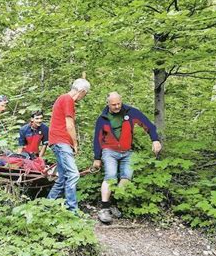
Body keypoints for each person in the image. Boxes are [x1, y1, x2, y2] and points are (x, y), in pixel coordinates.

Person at [93, 92, 162, 223]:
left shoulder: (131, 112)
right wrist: (97, 158)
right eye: (114, 104)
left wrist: (155, 140)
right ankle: (104, 209)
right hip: (109, 151)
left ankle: (113, 203)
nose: (117, 106)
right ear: (108, 104)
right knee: (110, 176)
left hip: (127, 151)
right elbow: (97, 139)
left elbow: (148, 125)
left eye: (119, 103)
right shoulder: (102, 118)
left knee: (126, 178)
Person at [47, 78, 90, 212]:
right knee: (73, 175)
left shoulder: (63, 98)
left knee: (63, 177)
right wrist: (75, 144)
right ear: (82, 91)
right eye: (85, 94)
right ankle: (72, 210)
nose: (84, 97)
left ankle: (46, 206)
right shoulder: (67, 99)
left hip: (57, 141)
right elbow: (69, 125)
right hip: (61, 141)